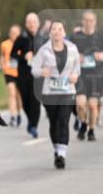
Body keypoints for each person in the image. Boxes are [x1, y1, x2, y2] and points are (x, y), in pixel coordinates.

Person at [31, 21, 81, 168]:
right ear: (50, 32)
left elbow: (77, 67)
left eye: (60, 29)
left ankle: (61, 154)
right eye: (54, 29)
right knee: (54, 122)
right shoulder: (43, 50)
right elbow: (34, 69)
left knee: (63, 120)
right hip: (50, 92)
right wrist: (41, 71)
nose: (57, 31)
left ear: (64, 32)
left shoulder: (72, 48)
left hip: (68, 90)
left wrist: (75, 75)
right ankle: (56, 148)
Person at [13, 12, 46, 138]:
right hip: (24, 74)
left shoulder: (43, 38)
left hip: (38, 74)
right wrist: (23, 56)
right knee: (25, 101)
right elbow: (13, 54)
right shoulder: (21, 38)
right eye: (29, 22)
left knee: (35, 101)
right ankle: (31, 121)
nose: (32, 24)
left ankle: (33, 126)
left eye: (34, 22)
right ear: (26, 24)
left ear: (38, 23)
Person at [71, 10, 102, 141]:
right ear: (82, 21)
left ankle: (91, 130)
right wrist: (76, 57)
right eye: (86, 20)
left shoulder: (100, 37)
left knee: (93, 105)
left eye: (91, 21)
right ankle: (83, 124)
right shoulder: (75, 37)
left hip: (96, 76)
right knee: (80, 104)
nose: (88, 23)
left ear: (95, 22)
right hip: (80, 75)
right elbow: (65, 52)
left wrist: (101, 56)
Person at [0, 25, 23, 127]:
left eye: (16, 33)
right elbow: (2, 56)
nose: (14, 34)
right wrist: (3, 64)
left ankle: (19, 114)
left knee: (18, 95)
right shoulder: (4, 44)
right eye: (12, 32)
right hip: (9, 72)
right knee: (11, 93)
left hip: (20, 72)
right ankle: (12, 116)